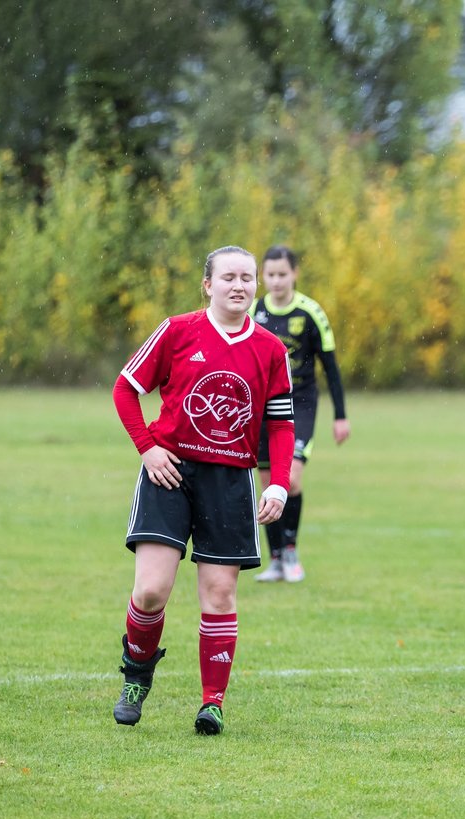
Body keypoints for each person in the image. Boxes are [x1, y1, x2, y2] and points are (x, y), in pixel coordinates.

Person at [111, 245, 295, 736]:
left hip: (231, 481)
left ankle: (212, 703)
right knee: (151, 591)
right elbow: (125, 388)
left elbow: (280, 426)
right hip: (168, 472)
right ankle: (136, 675)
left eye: (248, 278)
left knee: (219, 594)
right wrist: (147, 448)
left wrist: (277, 483)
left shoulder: (272, 350)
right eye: (229, 277)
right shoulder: (177, 331)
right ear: (208, 285)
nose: (240, 286)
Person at [250, 245, 351, 583]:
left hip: (300, 405)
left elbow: (331, 368)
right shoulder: (253, 312)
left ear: (294, 274)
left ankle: (291, 551)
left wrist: (341, 415)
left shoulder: (310, 313)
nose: (276, 281)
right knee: (267, 486)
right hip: (263, 406)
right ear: (263, 276)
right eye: (270, 275)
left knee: (289, 479)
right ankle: (276, 559)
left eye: (282, 274)